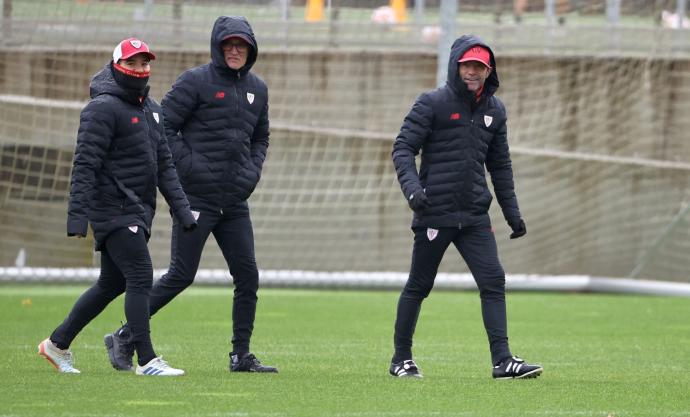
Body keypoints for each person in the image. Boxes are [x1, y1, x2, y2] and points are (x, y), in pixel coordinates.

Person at [104, 16, 276, 374]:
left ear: (250, 49)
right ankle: (124, 335)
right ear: (217, 46)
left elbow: (261, 137)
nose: (234, 50)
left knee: (248, 276)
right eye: (228, 43)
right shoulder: (195, 81)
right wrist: (192, 167)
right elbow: (162, 127)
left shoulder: (258, 89)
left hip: (235, 202)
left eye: (241, 45)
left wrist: (252, 171)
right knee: (181, 275)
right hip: (195, 199)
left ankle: (240, 355)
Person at [38, 38, 197, 376]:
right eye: (133, 63)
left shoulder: (152, 109)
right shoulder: (102, 109)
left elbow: (165, 165)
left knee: (111, 284)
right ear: (117, 65)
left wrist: (182, 211)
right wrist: (78, 216)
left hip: (138, 209)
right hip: (112, 209)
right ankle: (147, 360)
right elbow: (85, 164)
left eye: (144, 63)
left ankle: (57, 343)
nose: (140, 69)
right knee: (141, 275)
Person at [389, 35, 542, 379]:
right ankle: (401, 359)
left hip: (474, 215)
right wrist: (413, 191)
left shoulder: (495, 111)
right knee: (419, 284)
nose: (473, 72)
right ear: (457, 65)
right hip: (435, 213)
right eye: (468, 65)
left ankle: (502, 361)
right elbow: (402, 149)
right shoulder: (432, 103)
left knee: (493, 280)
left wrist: (512, 213)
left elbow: (500, 166)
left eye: (480, 67)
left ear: (489, 71)